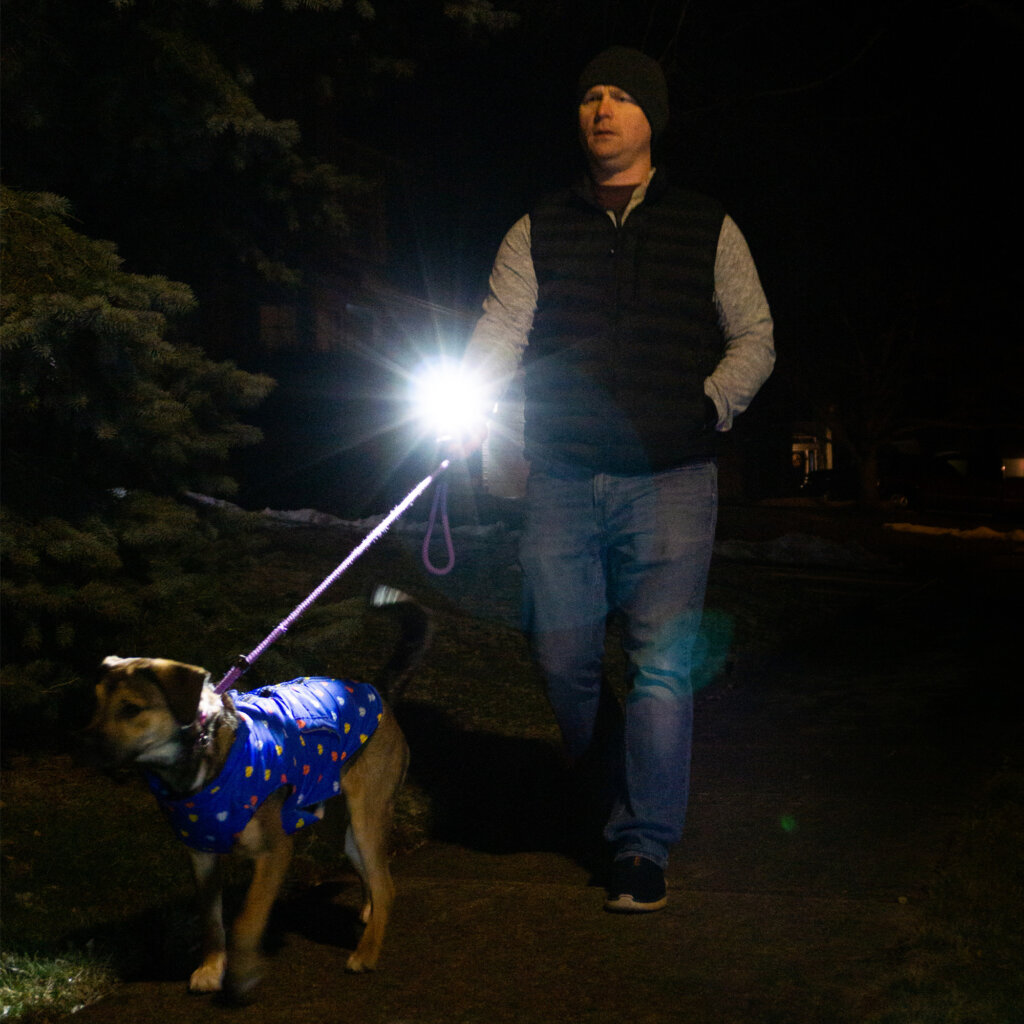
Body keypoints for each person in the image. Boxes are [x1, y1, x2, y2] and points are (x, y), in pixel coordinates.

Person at [462, 45, 775, 912]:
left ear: (651, 119)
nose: (602, 108)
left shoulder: (707, 224)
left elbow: (756, 335)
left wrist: (710, 405)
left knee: (662, 669)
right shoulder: (537, 226)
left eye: (622, 97)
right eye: (590, 95)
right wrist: (479, 417)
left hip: (670, 479)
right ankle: (612, 794)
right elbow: (500, 331)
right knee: (563, 658)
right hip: (561, 474)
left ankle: (642, 846)